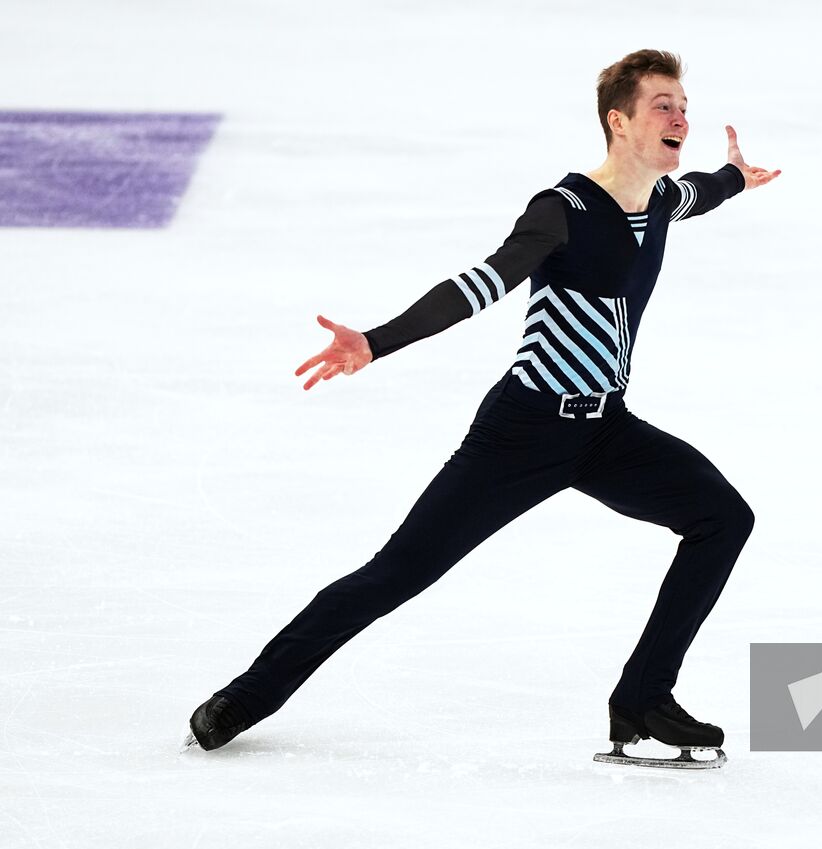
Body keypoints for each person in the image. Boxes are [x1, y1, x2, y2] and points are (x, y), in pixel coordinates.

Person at [184, 49, 780, 768]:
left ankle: (643, 698)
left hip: (605, 428)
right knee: (394, 574)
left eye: (683, 104)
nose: (680, 115)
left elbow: (700, 192)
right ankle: (243, 699)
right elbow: (481, 282)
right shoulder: (562, 209)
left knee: (724, 517)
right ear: (618, 122)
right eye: (662, 104)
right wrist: (377, 341)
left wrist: (735, 179)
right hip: (522, 431)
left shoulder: (658, 199)